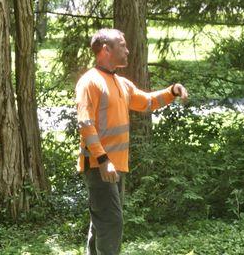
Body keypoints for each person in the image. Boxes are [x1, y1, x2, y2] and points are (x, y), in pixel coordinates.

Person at [75, 28, 188, 255]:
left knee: (103, 223)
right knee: (111, 222)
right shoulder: (90, 82)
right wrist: (103, 159)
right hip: (100, 166)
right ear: (106, 49)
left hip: (114, 166)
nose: (128, 50)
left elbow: (146, 102)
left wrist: (172, 91)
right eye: (122, 45)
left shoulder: (120, 83)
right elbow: (85, 124)